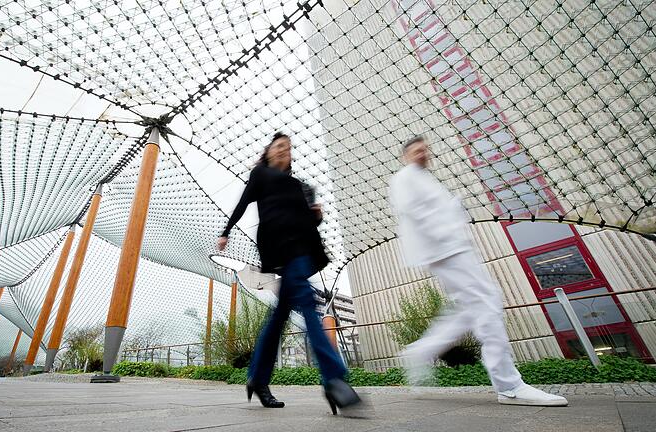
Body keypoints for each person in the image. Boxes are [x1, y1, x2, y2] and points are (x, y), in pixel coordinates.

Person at [389, 136, 568, 407]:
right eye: (416, 150)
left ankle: (421, 351)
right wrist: (446, 227)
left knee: (470, 308)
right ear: (406, 155)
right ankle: (509, 385)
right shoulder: (405, 178)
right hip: (446, 249)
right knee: (487, 302)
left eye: (425, 148)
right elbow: (413, 212)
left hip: (453, 248)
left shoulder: (425, 179)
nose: (423, 153)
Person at [217, 132, 361, 415]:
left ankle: (258, 378)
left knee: (280, 316)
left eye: (288, 147)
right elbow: (244, 202)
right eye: (279, 146)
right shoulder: (261, 175)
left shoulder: (298, 185)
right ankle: (334, 379)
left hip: (301, 252)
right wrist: (226, 232)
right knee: (307, 305)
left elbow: (306, 222)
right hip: (279, 249)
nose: (285, 150)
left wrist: (316, 217)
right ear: (268, 152)